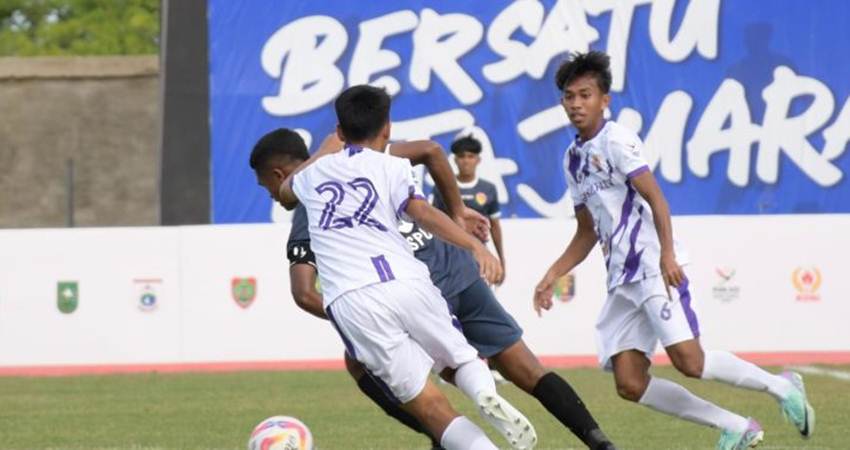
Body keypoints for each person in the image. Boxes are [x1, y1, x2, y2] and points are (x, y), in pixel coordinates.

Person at [261, 131, 617, 450]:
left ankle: (443, 434)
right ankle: (597, 439)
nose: (273, 195)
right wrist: (459, 212)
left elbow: (304, 293)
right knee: (526, 369)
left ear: (279, 175)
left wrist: (358, 317)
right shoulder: (375, 157)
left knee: (365, 365)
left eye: (267, 187)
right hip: (458, 268)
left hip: (414, 286)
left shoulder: (311, 197)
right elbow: (431, 151)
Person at [533, 51, 815, 450]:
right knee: (630, 382)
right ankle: (736, 426)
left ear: (604, 100)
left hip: (653, 267)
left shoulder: (617, 141)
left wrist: (667, 255)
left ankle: (782, 387)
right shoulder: (572, 160)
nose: (576, 104)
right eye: (569, 96)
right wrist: (552, 274)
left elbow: (656, 199)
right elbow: (586, 231)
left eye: (585, 95)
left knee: (690, 362)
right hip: (622, 280)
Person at [253, 85, 536, 450]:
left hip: (353, 300)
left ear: (339, 130)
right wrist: (474, 246)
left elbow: (286, 191)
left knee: (431, 409)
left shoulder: (311, 176)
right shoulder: (392, 166)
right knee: (461, 361)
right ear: (386, 128)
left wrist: (323, 151)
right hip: (405, 281)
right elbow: (424, 213)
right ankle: (483, 391)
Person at [432, 135, 506, 285]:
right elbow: (433, 222)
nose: (466, 161)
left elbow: (495, 226)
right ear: (454, 160)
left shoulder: (488, 189)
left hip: (478, 255)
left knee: (481, 295)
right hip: (448, 255)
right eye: (461, 156)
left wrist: (501, 259)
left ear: (478, 160)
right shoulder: (442, 186)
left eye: (470, 156)